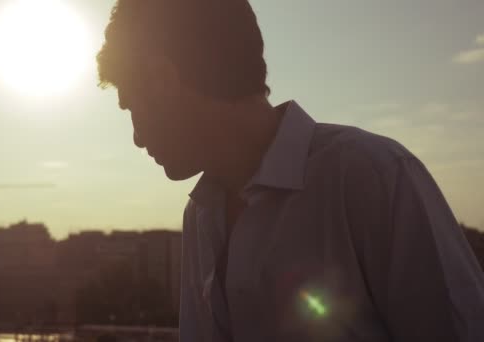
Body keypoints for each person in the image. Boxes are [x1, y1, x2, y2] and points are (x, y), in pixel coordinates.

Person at [95, 0, 484, 340]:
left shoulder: (373, 177)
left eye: (132, 108)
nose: (137, 139)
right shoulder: (200, 215)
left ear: (164, 80)